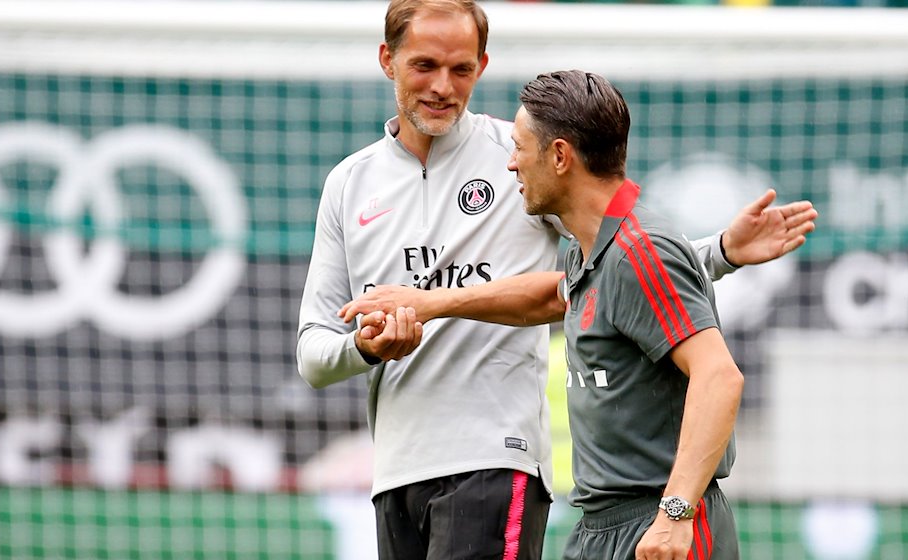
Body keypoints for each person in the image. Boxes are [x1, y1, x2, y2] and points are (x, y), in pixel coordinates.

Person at [297, 0, 818, 556]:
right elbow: (314, 354)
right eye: (425, 65)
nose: (443, 86)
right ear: (388, 60)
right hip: (397, 473)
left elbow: (628, 254)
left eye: (462, 69)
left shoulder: (523, 153)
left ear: (483, 65)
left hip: (500, 459)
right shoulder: (348, 184)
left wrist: (716, 252)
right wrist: (367, 347)